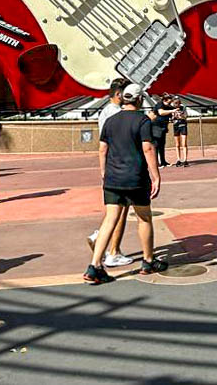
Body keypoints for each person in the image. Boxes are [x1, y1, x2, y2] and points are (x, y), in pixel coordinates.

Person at [83, 83, 167, 284]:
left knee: (110, 219)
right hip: (135, 178)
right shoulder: (143, 121)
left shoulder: (110, 121)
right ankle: (148, 261)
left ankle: (94, 266)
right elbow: (148, 149)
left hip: (113, 178)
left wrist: (104, 172)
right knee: (144, 217)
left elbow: (102, 149)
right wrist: (156, 176)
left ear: (124, 98)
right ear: (138, 100)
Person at [85, 79, 134, 268]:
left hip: (111, 165)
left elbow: (102, 146)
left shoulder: (105, 111)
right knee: (121, 211)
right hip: (122, 163)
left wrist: (103, 170)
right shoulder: (118, 114)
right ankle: (114, 251)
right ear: (119, 94)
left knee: (113, 209)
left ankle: (100, 236)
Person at [151, 94, 173, 167]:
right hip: (156, 127)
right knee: (156, 145)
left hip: (163, 127)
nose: (170, 103)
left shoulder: (168, 107)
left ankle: (163, 162)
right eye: (169, 102)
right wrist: (172, 110)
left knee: (162, 145)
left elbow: (171, 116)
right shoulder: (159, 104)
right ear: (164, 100)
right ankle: (156, 163)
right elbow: (161, 112)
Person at [171, 96, 189, 167]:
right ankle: (178, 159)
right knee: (177, 144)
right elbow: (171, 119)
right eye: (175, 103)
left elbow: (186, 116)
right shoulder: (172, 109)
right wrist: (174, 115)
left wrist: (181, 115)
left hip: (183, 125)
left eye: (178, 103)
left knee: (184, 143)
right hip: (176, 126)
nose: (176, 104)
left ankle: (185, 160)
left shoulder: (183, 108)